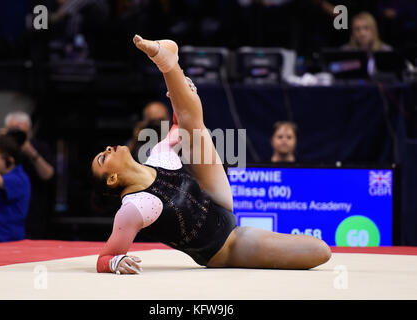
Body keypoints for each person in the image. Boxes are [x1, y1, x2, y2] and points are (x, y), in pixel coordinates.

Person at [91, 35, 331, 274]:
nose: (108, 149)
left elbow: (181, 123)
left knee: (193, 126)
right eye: (103, 158)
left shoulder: (158, 155)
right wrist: (114, 262)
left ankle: (168, 62)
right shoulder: (132, 209)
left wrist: (181, 94)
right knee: (320, 251)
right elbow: (106, 256)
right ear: (112, 179)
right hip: (226, 245)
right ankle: (169, 65)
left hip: (215, 196)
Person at [0, 111, 55, 239]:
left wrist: (31, 152)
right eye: (13, 131)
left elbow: (48, 174)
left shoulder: (20, 173)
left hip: (33, 215)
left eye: (22, 133)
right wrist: (0, 143)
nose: (17, 137)